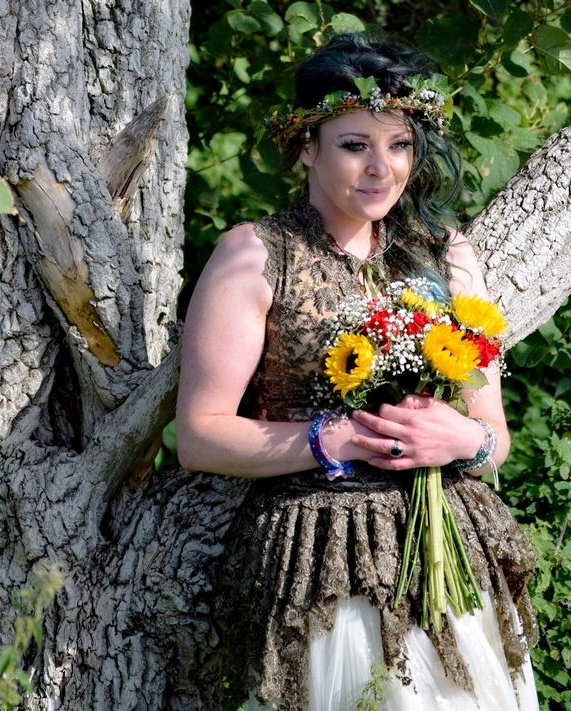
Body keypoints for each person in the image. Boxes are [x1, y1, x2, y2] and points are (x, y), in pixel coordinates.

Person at [175, 33, 539, 711]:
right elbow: (198, 434)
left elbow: (495, 432)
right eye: (354, 145)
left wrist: (464, 442)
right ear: (305, 147)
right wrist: (326, 438)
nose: (381, 168)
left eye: (398, 145)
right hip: (323, 553)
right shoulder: (255, 255)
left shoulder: (442, 253)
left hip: (448, 545)